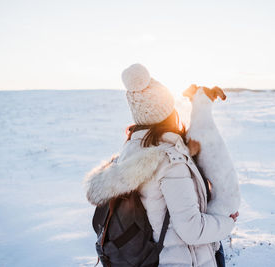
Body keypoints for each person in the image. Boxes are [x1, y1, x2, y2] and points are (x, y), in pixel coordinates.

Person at [84, 63, 239, 266]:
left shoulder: (130, 151)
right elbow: (192, 230)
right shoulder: (171, 162)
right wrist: (228, 222)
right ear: (167, 111)